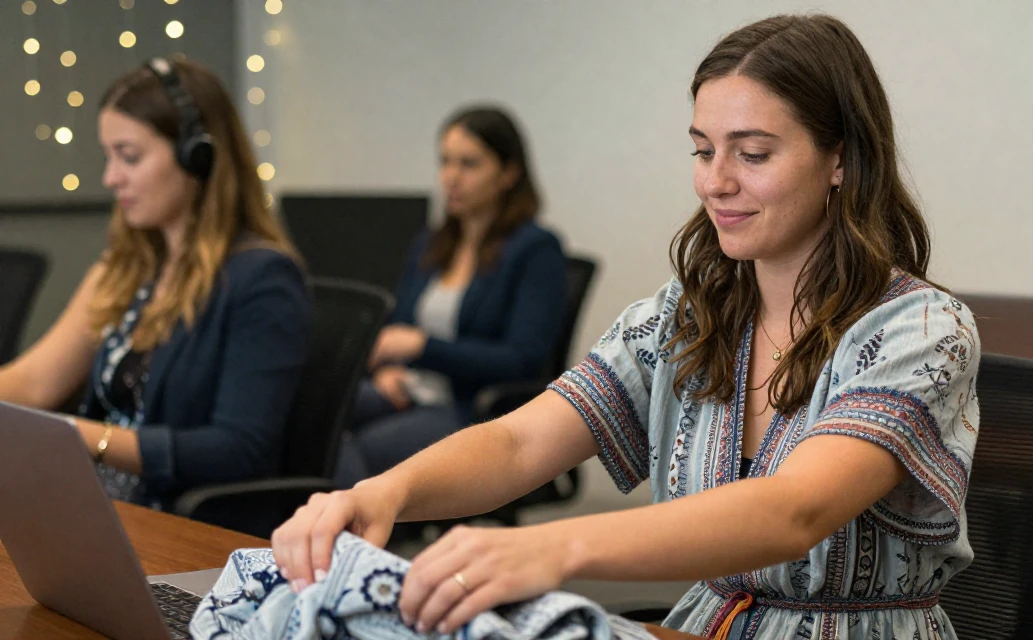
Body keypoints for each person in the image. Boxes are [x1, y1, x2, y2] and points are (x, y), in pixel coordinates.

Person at [273, 14, 980, 640]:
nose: (715, 181)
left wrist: (554, 549)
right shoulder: (685, 315)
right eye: (703, 150)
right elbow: (522, 442)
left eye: (753, 153)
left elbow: (794, 510)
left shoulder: (924, 330)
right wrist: (381, 495)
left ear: (841, 160)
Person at [0, 57, 312, 510]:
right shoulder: (126, 268)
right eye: (109, 157)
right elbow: (33, 383)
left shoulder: (263, 280)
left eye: (129, 156)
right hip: (97, 506)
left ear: (197, 157)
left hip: (174, 520)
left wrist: (83, 437)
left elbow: (237, 450)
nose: (111, 178)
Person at [334, 106, 568, 488]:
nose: (451, 178)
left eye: (469, 164)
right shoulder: (431, 244)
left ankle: (367, 543)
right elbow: (398, 325)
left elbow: (521, 361)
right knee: (309, 417)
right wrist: (387, 370)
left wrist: (421, 347)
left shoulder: (536, 250)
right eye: (445, 162)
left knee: (357, 448)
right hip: (408, 390)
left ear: (508, 173)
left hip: (472, 409)